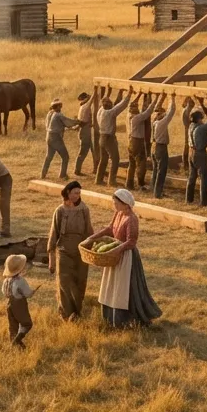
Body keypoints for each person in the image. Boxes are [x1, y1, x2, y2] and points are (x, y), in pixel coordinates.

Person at [91, 189, 162, 328]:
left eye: (116, 203)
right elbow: (110, 229)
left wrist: (116, 250)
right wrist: (92, 237)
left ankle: (125, 321)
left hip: (126, 257)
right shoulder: (118, 213)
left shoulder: (132, 219)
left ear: (125, 204)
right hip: (114, 255)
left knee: (123, 288)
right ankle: (109, 319)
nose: (114, 205)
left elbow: (131, 242)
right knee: (111, 286)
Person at [47, 181, 93, 320]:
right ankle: (66, 314)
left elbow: (89, 231)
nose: (77, 195)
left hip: (80, 251)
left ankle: (77, 312)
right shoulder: (60, 210)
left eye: (79, 193)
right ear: (68, 192)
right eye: (75, 193)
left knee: (80, 281)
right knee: (64, 283)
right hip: (64, 251)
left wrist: (91, 250)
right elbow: (53, 234)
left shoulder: (84, 209)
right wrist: (51, 260)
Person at [95, 87, 132, 186]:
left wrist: (120, 92)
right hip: (108, 138)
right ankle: (111, 181)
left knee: (103, 159)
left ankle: (98, 179)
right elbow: (121, 106)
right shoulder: (110, 113)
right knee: (115, 159)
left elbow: (116, 105)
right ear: (109, 106)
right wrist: (129, 94)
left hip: (102, 137)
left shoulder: (100, 110)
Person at [42, 99, 80, 180]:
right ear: (58, 106)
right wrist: (77, 122)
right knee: (65, 157)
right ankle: (62, 175)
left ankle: (43, 174)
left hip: (49, 137)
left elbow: (59, 126)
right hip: (56, 138)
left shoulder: (50, 113)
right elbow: (68, 122)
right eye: (60, 105)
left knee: (49, 157)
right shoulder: (58, 115)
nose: (61, 107)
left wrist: (72, 127)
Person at [125, 93, 156, 191]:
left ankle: (129, 183)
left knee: (132, 164)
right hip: (137, 142)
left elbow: (133, 103)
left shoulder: (129, 115)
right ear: (134, 109)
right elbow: (148, 112)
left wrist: (139, 95)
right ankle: (141, 183)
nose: (138, 109)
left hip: (131, 141)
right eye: (136, 107)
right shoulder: (137, 118)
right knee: (141, 163)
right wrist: (156, 99)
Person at [3, 254, 34, 348]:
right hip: (19, 304)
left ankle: (16, 346)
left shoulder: (6, 280)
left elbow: (4, 292)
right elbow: (28, 294)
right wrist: (32, 292)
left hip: (9, 303)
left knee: (13, 326)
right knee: (27, 324)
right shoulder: (21, 281)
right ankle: (16, 341)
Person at [149, 96, 177, 198]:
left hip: (154, 146)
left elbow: (157, 109)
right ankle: (158, 193)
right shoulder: (161, 123)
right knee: (161, 171)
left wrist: (162, 97)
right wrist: (172, 99)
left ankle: (154, 189)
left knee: (156, 169)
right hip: (160, 148)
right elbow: (171, 112)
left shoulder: (154, 121)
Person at [73, 93, 96, 177]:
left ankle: (96, 168)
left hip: (86, 131)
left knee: (94, 151)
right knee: (83, 152)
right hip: (85, 131)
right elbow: (92, 98)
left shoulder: (83, 107)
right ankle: (77, 170)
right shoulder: (85, 106)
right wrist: (95, 91)